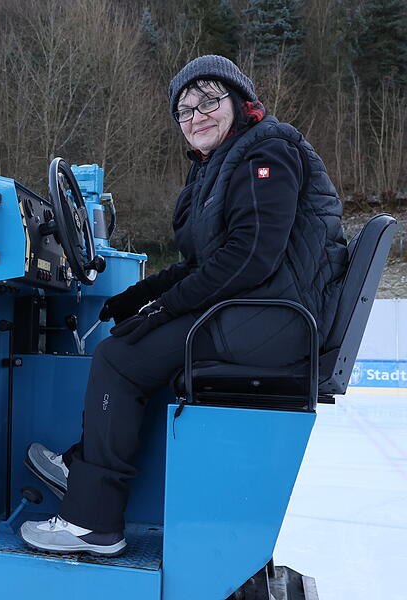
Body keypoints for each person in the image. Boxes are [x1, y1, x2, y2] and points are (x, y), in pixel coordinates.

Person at [18, 55, 348, 556]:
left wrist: (164, 308)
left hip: (270, 317)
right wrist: (140, 296)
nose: (198, 116)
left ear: (239, 101)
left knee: (119, 359)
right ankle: (88, 466)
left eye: (209, 101)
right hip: (256, 310)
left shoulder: (268, 152)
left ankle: (92, 521)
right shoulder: (222, 163)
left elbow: (250, 258)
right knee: (128, 341)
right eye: (185, 110)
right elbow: (204, 261)